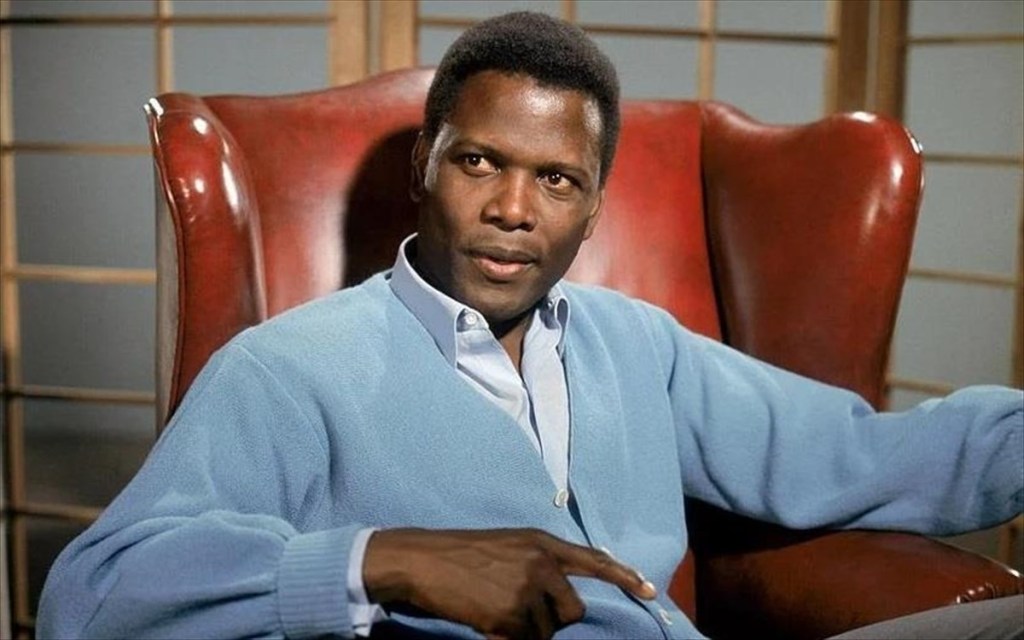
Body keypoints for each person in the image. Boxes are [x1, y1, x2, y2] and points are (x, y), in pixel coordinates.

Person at [39, 11, 1022, 640]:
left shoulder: (637, 345)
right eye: (480, 162)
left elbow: (859, 455)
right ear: (425, 166)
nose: (514, 209)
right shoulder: (288, 370)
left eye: (556, 179)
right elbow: (90, 598)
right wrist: (385, 559)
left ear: (591, 209)